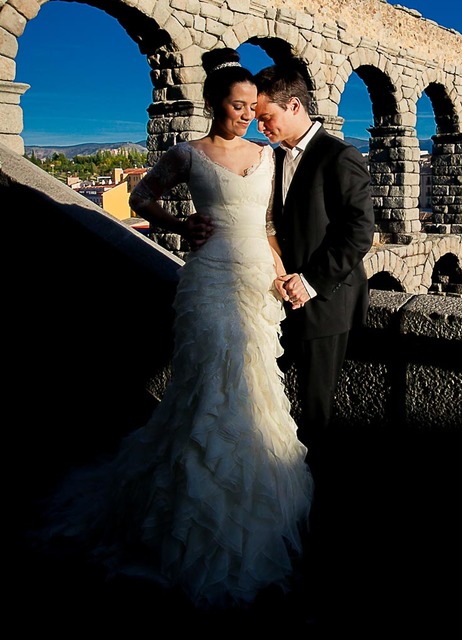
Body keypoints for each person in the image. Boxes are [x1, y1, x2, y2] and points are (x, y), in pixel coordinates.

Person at [36, 48, 313, 610]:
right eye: (236, 106)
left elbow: (265, 225)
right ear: (213, 104)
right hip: (210, 281)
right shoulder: (188, 153)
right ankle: (193, 509)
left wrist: (283, 273)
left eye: (252, 107)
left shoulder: (266, 155)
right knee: (209, 385)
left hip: (256, 283)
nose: (246, 115)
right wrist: (180, 225)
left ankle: (246, 502)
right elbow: (141, 197)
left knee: (256, 384)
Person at [253, 62, 375, 474]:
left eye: (266, 117)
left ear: (294, 106)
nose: (260, 127)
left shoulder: (339, 155)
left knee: (316, 416)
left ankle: (316, 497)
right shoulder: (274, 158)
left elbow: (359, 231)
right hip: (283, 300)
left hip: (326, 305)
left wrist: (310, 281)